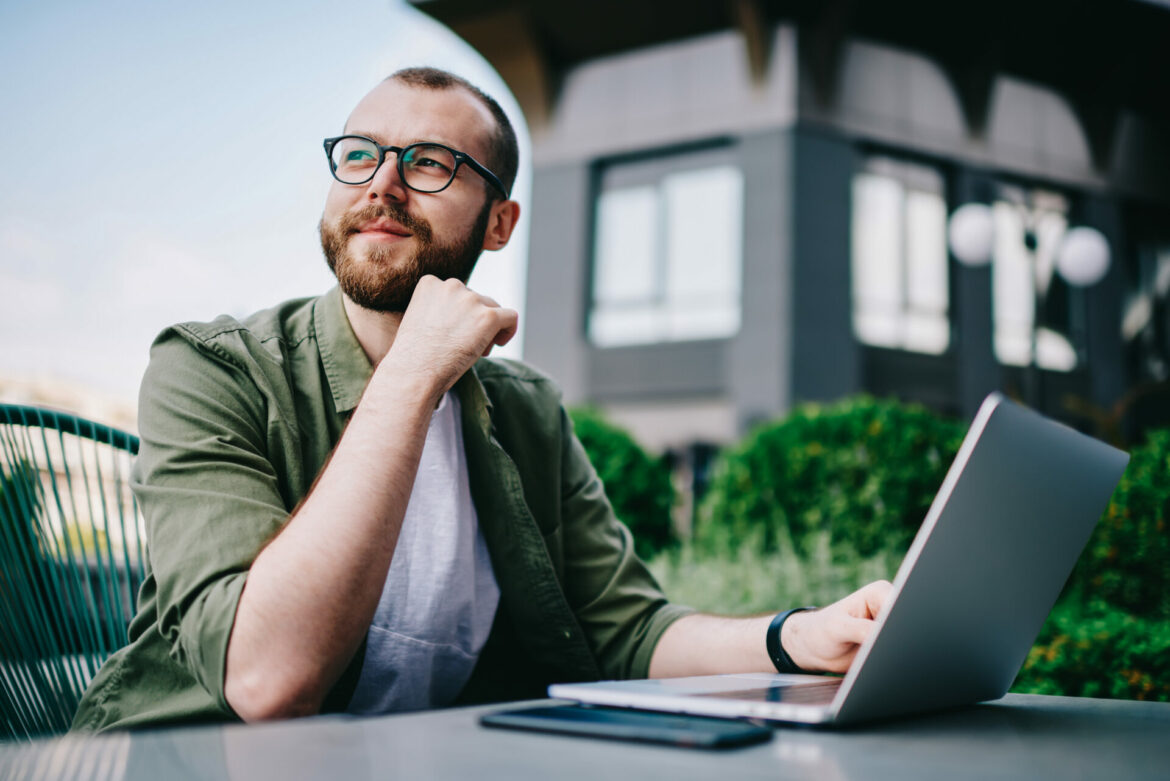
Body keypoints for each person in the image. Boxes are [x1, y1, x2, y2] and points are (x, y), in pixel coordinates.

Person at [72, 67, 891, 732]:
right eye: (361, 154)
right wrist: (411, 373)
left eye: (429, 163)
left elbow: (629, 629)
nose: (383, 185)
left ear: (499, 223)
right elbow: (266, 680)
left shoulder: (525, 409)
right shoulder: (212, 368)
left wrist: (802, 635)